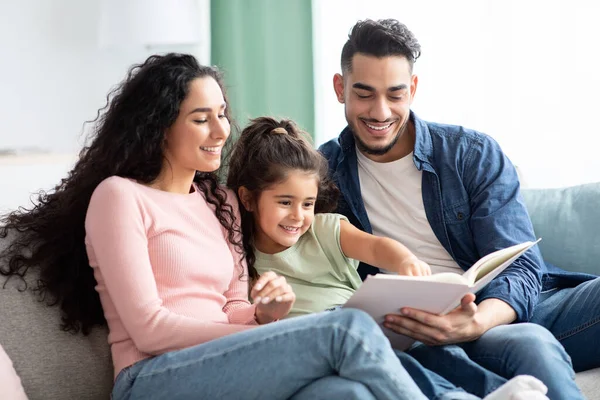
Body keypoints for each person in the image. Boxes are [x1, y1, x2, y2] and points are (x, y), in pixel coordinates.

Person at [0, 53, 443, 400]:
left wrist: (265, 313)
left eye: (222, 114)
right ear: (160, 127)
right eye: (201, 118)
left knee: (341, 392)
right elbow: (150, 329)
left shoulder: (222, 203)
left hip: (220, 362)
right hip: (152, 377)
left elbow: (233, 306)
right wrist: (266, 332)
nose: (220, 131)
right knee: (348, 328)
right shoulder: (119, 197)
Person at [319, 18, 597, 399]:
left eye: (395, 94)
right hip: (421, 333)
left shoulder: (472, 153)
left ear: (413, 89)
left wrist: (477, 322)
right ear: (340, 88)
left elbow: (521, 267)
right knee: (530, 344)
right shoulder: (322, 174)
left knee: (531, 331)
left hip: (504, 308)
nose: (380, 112)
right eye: (364, 94)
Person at [226, 116, 550, 400]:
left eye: (308, 204)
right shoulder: (238, 256)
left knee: (427, 356)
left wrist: (405, 260)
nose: (298, 216)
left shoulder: (322, 230)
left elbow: (377, 247)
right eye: (285, 202)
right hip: (314, 344)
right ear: (248, 199)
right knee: (390, 357)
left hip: (361, 329)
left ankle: (494, 392)